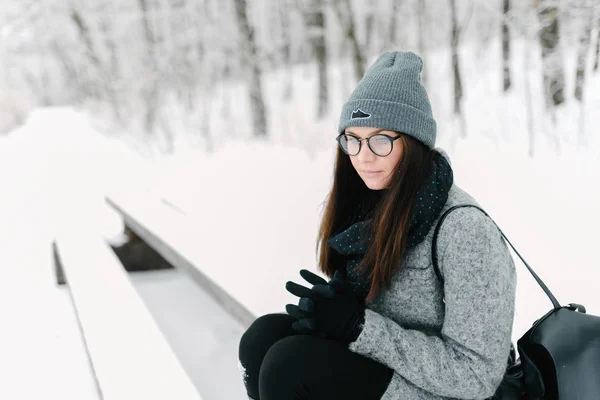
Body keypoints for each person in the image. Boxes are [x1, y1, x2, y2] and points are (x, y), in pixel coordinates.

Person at [237, 51, 517, 400]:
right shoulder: (373, 204)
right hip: (397, 370)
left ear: (414, 143)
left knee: (290, 364)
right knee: (263, 337)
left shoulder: (464, 231)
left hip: (453, 392)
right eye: (352, 139)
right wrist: (335, 310)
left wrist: (358, 326)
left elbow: (476, 376)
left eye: (381, 140)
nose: (362, 156)